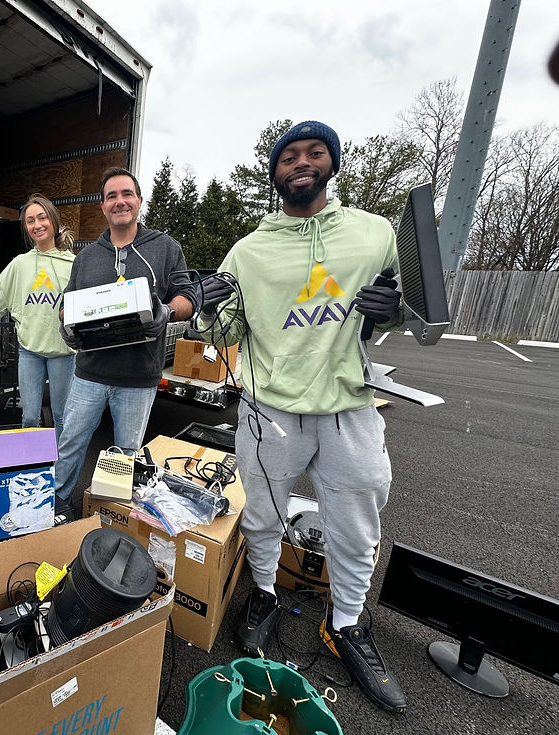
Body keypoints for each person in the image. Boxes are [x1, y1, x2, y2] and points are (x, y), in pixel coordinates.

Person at [197, 121, 407, 713]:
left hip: (351, 408)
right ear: (275, 172)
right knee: (262, 514)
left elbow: (411, 312)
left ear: (332, 164)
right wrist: (210, 314)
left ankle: (345, 625)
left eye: (315, 153)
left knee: (357, 520)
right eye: (289, 156)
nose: (301, 163)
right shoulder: (249, 250)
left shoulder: (376, 234)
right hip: (272, 411)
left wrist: (394, 312)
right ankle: (262, 592)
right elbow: (226, 332)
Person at [53, 167, 197, 520]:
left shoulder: (165, 248)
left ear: (139, 201)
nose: (120, 202)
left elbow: (188, 296)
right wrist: (66, 323)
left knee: (125, 454)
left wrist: (166, 311)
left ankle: (111, 515)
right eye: (112, 196)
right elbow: (68, 303)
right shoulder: (87, 257)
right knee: (70, 445)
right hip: (89, 373)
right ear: (103, 207)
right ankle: (58, 505)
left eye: (126, 194)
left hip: (138, 376)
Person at [0, 195, 76, 439]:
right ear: (26, 228)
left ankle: (59, 470)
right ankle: (32, 468)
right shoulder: (20, 264)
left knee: (61, 416)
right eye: (30, 221)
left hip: (63, 352)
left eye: (42, 218)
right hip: (30, 351)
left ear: (53, 220)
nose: (37, 225)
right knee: (29, 417)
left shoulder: (74, 264)